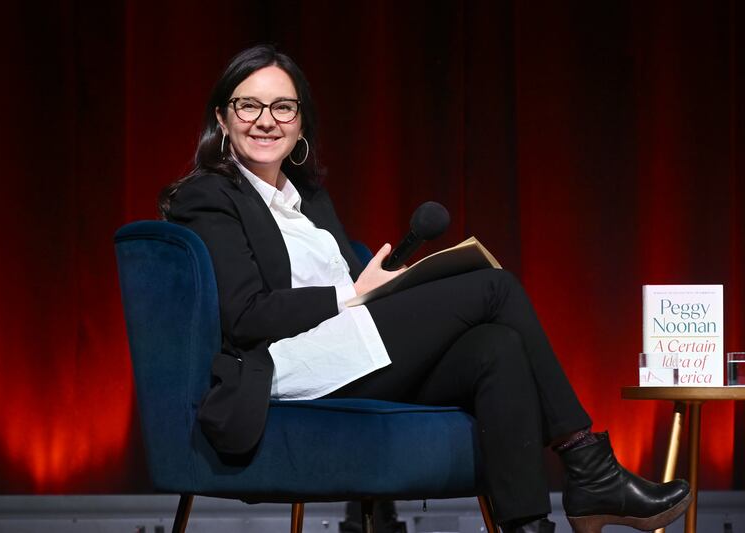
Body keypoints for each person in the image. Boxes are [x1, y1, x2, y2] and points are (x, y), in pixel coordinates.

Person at [160, 45, 690, 533]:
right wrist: (347, 297)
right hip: (291, 366)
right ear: (222, 119)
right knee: (495, 289)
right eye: (249, 105)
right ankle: (588, 467)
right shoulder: (208, 196)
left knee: (497, 349)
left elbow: (351, 287)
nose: (266, 121)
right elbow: (246, 315)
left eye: (283, 108)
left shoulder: (309, 199)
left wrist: (383, 291)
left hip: (353, 352)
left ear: (301, 125)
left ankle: (530, 526)